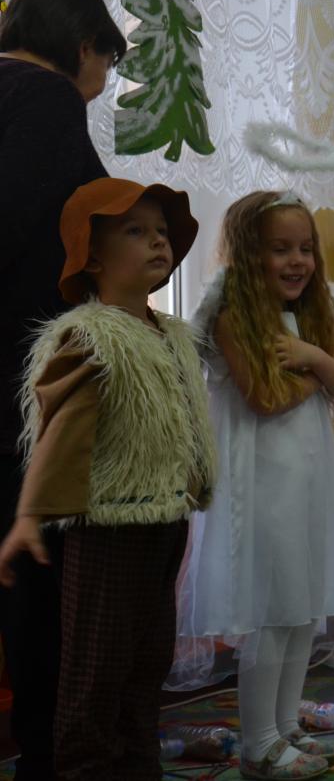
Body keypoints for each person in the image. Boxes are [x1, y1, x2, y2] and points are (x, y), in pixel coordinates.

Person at [0, 178, 213, 780]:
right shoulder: (90, 336)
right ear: (92, 257)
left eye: (163, 232)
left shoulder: (170, 334)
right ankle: (86, 769)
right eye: (136, 231)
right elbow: (59, 432)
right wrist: (30, 514)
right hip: (110, 528)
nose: (158, 242)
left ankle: (139, 766)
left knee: (147, 665)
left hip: (164, 521)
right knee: (96, 672)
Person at [177, 191, 334, 780]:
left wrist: (315, 358)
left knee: (302, 609)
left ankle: (285, 727)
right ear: (247, 252)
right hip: (261, 481)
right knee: (272, 610)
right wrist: (319, 372)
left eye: (305, 248)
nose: (297, 260)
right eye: (280, 249)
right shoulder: (233, 312)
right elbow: (264, 398)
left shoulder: (303, 320)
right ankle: (258, 743)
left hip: (306, 477)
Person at [0, 0, 125, 775]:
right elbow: (31, 228)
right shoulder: (46, 96)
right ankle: (49, 757)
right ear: (85, 45)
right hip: (20, 379)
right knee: (33, 579)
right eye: (108, 61)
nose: (103, 81)